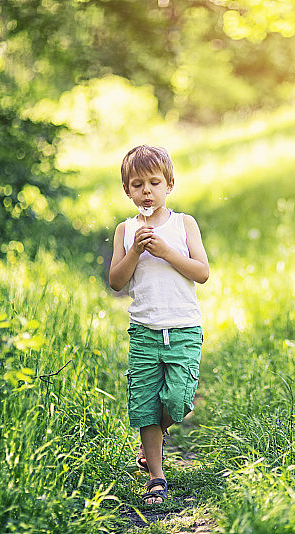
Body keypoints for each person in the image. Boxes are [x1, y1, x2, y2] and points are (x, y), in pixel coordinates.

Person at [108, 145, 209, 505]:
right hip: (144, 331)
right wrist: (135, 251)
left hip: (183, 328)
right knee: (145, 404)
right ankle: (156, 476)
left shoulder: (184, 224)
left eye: (154, 183)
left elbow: (202, 272)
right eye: (137, 185)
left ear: (169, 185)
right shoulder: (126, 230)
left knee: (178, 400)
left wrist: (166, 251)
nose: (146, 191)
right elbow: (116, 282)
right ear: (128, 191)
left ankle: (156, 435)